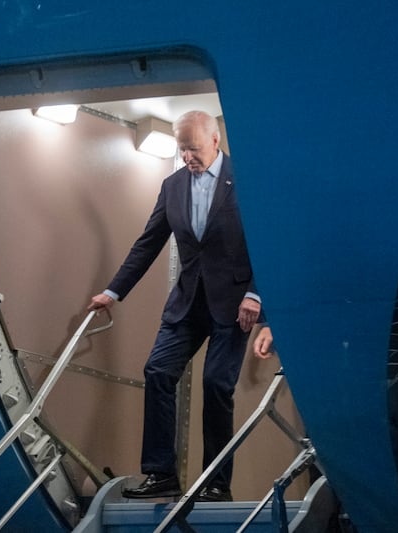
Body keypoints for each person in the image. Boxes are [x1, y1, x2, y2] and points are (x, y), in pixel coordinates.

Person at [88, 110, 262, 502]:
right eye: (182, 148)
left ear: (216, 141)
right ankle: (161, 473)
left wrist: (255, 294)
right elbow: (148, 243)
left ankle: (216, 482)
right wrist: (113, 292)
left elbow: (271, 244)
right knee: (158, 371)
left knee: (216, 384)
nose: (187, 156)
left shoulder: (249, 179)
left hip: (234, 305)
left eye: (193, 148)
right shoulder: (172, 186)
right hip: (187, 302)